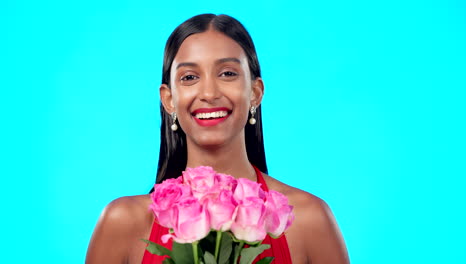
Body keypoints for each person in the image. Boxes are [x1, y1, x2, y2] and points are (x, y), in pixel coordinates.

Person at [86, 14, 349, 264]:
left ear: (256, 92)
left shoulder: (308, 219)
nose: (209, 93)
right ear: (168, 99)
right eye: (189, 77)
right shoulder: (123, 223)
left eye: (227, 74)